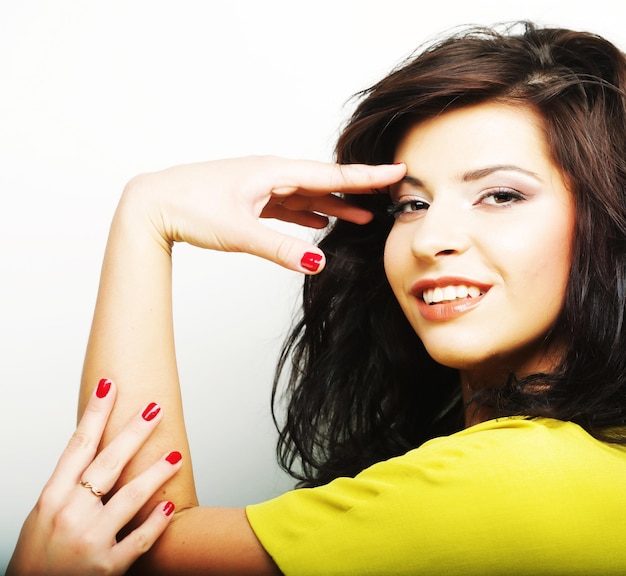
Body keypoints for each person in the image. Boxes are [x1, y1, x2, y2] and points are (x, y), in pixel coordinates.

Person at [8, 20, 626, 575]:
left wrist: (148, 214)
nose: (430, 237)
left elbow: (130, 549)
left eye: (501, 196)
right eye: (410, 204)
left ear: (608, 219)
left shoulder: (519, 480)